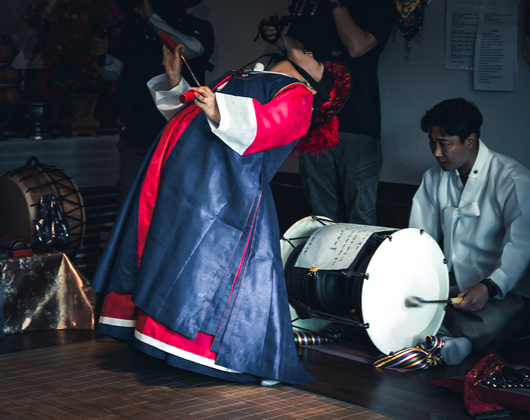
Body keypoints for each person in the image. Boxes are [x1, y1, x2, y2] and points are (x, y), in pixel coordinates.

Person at [90, 42, 351, 385]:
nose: (310, 52)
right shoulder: (246, 75)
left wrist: (218, 110)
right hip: (182, 173)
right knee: (163, 248)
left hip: (221, 187)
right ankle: (150, 332)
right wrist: (175, 81)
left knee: (196, 261)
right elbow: (194, 117)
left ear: (318, 86)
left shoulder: (298, 94)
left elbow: (269, 128)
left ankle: (201, 349)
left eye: (317, 59)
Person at [408, 98, 530, 365]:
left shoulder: (513, 177)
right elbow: (418, 235)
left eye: (444, 143)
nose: (436, 152)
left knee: (485, 326)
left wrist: (489, 287)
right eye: (432, 142)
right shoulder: (433, 178)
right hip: (454, 283)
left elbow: (521, 244)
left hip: (506, 287)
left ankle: (454, 340)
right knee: (406, 304)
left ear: (470, 140)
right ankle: (453, 341)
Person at [259, 0, 398, 225]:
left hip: (358, 123)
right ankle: (321, 261)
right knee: (320, 217)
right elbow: (299, 52)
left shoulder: (380, 5)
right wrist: (278, 38)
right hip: (314, 120)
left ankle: (359, 261)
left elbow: (356, 46)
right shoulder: (312, 4)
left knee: (360, 217)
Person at [90, 0, 214, 204]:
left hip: (176, 134)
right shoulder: (135, 30)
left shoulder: (197, 26)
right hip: (136, 131)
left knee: (170, 200)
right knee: (129, 200)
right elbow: (111, 73)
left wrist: (151, 17)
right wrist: (101, 56)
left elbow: (188, 49)